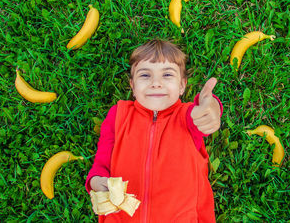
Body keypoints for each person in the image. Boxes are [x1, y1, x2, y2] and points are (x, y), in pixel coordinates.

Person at [85, 39, 223, 222]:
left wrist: (210, 108)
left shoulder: (187, 116)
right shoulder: (118, 115)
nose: (156, 83)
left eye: (167, 75)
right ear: (132, 86)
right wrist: (96, 182)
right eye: (144, 75)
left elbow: (204, 111)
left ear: (182, 86)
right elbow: (101, 163)